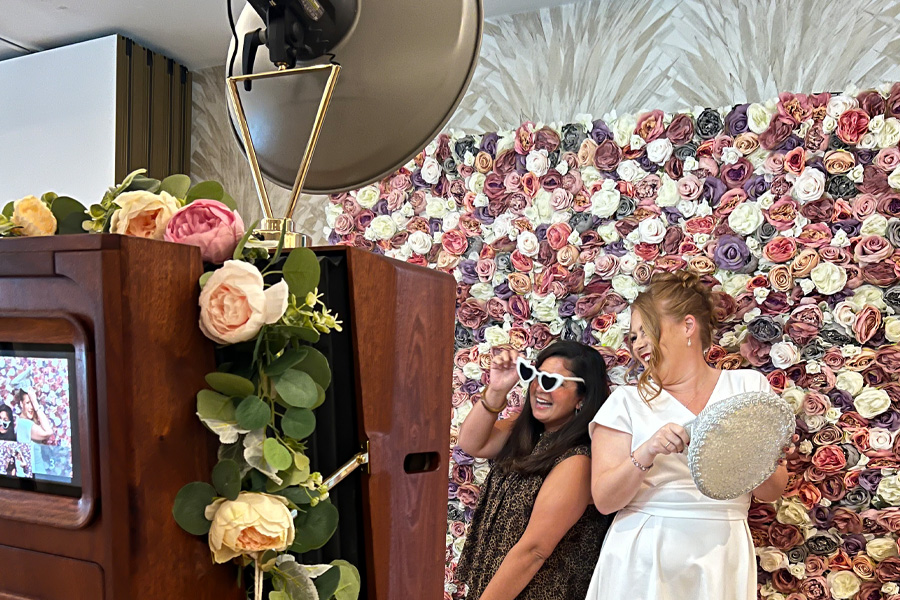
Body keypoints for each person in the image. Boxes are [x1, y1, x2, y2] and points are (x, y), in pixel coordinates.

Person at [586, 270, 790, 600]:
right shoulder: (625, 400)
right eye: (632, 337)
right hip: (641, 555)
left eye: (645, 331)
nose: (637, 344)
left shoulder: (748, 388)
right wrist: (646, 452)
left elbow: (771, 492)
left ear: (687, 327)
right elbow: (606, 501)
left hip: (720, 551)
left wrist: (744, 451)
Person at [456, 340, 613, 600]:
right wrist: (497, 389)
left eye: (551, 381)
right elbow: (472, 443)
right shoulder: (528, 432)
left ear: (581, 398)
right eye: (535, 376)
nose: (540, 388)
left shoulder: (578, 460)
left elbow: (535, 551)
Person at [11, 388, 53, 475]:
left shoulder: (22, 422)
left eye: (32, 403)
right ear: (21, 404)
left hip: (37, 477)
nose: (31, 407)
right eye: (28, 403)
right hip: (36, 478)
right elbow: (48, 432)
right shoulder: (25, 424)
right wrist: (35, 404)